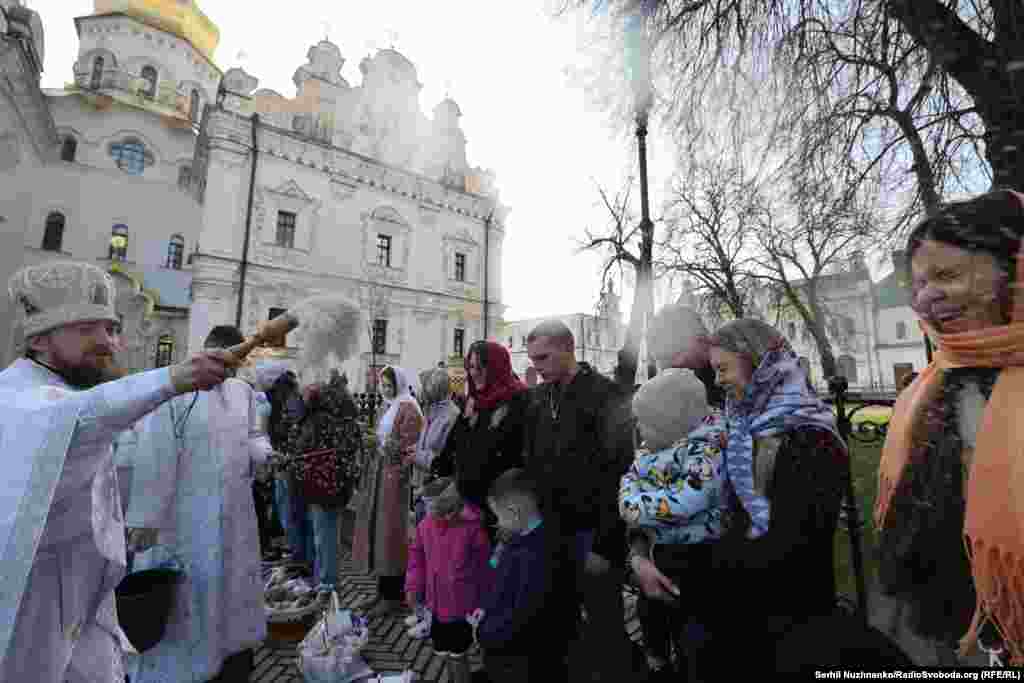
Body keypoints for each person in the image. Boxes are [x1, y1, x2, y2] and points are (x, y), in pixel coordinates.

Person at [0, 261, 236, 683]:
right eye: (90, 328)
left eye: (111, 329)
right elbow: (81, 417)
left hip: (85, 597)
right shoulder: (18, 397)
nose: (109, 343)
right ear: (38, 338)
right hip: (29, 601)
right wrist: (174, 378)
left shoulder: (68, 391)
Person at [876, 189, 1024, 666]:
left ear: (1015, 271)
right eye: (918, 283)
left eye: (947, 275)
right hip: (954, 630)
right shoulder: (932, 385)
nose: (926, 299)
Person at [124, 324, 272, 683]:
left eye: (235, 365)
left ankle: (229, 654)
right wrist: (145, 518)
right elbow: (155, 454)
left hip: (234, 513)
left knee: (229, 590)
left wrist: (265, 455)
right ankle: (186, 667)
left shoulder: (242, 393)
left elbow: (253, 435)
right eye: (224, 363)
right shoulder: (176, 393)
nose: (229, 372)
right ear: (208, 354)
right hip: (185, 517)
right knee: (189, 596)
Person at [703, 318, 848, 671]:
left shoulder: (809, 435)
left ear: (758, 362)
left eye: (723, 369)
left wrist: (708, 566)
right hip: (748, 608)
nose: (718, 380)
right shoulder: (743, 425)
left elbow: (794, 541)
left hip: (792, 615)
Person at [522, 320, 646, 681]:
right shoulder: (540, 398)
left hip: (592, 539)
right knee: (561, 626)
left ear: (568, 348)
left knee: (606, 628)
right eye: (532, 359)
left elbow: (621, 474)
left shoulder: (605, 395)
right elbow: (532, 461)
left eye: (543, 357)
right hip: (550, 535)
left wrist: (605, 547)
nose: (537, 367)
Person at [619, 370, 728, 678]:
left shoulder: (706, 450)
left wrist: (635, 506)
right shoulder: (653, 447)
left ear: (673, 424)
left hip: (698, 555)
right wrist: (634, 501)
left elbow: (692, 497)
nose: (639, 428)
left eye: (647, 422)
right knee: (651, 612)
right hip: (660, 547)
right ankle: (657, 658)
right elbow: (630, 480)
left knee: (692, 633)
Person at [472, 469, 575, 682]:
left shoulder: (533, 557)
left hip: (522, 664)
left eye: (498, 515)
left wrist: (483, 632)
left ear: (514, 512)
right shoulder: (526, 538)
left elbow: (522, 618)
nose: (497, 523)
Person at [352, 366, 424, 617]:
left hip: (395, 482)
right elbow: (383, 441)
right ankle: (382, 590)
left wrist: (381, 444)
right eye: (382, 385)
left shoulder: (409, 408)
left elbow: (409, 449)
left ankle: (393, 595)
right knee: (378, 534)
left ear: (399, 384)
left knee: (391, 536)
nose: (384, 389)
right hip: (380, 477)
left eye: (388, 385)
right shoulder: (388, 406)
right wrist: (370, 439)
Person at [405, 481, 493, 683]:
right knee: (443, 653)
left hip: (461, 607)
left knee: (458, 656)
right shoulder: (425, 526)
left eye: (450, 511)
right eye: (439, 511)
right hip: (435, 606)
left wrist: (484, 604)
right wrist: (413, 586)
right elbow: (416, 560)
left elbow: (485, 570)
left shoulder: (472, 529)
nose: (446, 517)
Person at [286, 379, 363, 594]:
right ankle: (327, 581)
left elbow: (303, 451)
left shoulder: (320, 421)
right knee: (326, 536)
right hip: (333, 488)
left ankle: (328, 586)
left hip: (324, 489)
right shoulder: (333, 418)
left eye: (303, 397)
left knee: (325, 538)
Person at [453, 341, 529, 542]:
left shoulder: (517, 400)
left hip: (502, 514)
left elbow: (509, 457)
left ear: (496, 366)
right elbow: (457, 446)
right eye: (470, 366)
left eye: (481, 367)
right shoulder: (474, 401)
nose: (474, 372)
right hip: (470, 507)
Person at [646, 303, 725, 408]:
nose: (672, 368)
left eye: (673, 355)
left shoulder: (736, 364)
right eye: (663, 360)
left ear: (700, 339)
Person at [411, 367, 460, 526]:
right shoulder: (430, 413)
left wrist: (416, 455)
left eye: (424, 386)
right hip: (421, 487)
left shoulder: (451, 416)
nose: (421, 391)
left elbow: (444, 458)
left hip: (438, 491)